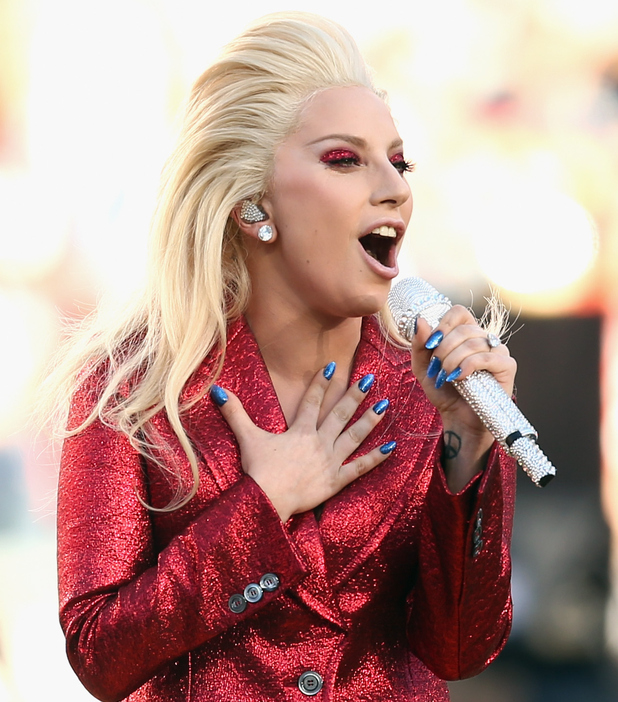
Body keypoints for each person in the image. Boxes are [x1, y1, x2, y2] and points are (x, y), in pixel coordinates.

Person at [53, 12, 517, 702]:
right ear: (251, 204)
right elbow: (100, 656)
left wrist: (469, 448)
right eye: (344, 158)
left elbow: (459, 649)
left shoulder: (426, 386)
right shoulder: (133, 391)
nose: (394, 186)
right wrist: (262, 508)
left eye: (399, 159)